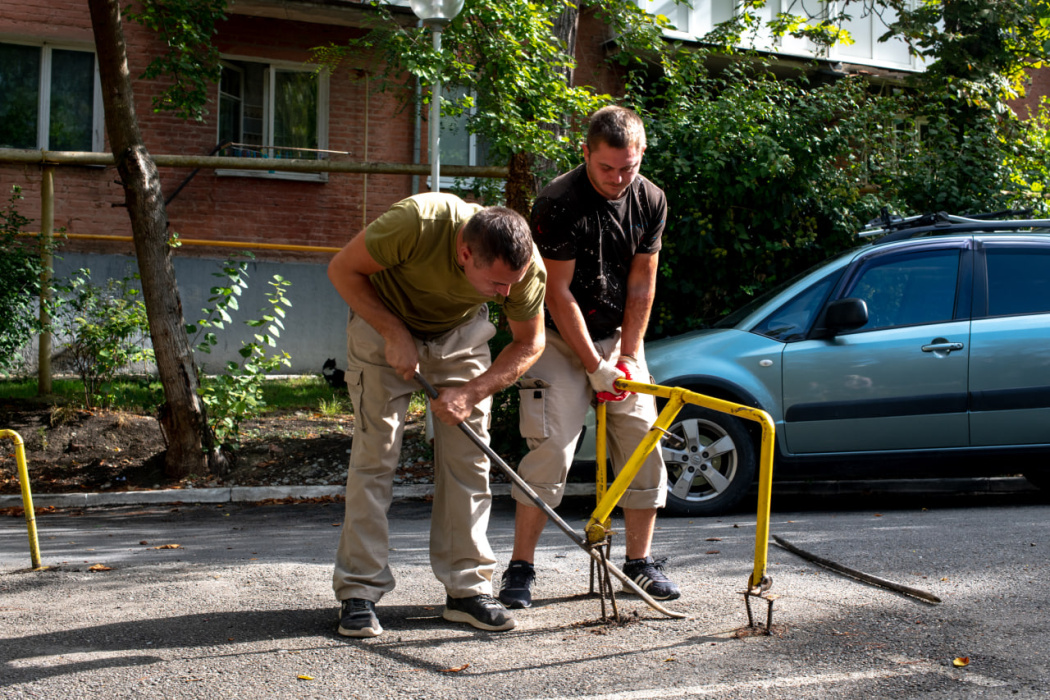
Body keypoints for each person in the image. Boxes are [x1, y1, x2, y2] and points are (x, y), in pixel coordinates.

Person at [327, 193, 546, 637]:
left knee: (470, 461)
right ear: (465, 253)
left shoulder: (524, 269)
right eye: (498, 284)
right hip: (382, 320)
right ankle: (359, 592)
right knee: (375, 458)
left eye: (512, 284)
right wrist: (393, 332)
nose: (507, 294)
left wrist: (473, 390)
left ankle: (467, 590)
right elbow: (342, 270)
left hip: (459, 334)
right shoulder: (418, 222)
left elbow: (529, 342)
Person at [498, 105, 679, 609]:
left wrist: (626, 355)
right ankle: (520, 569)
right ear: (586, 154)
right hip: (556, 337)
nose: (619, 178)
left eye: (629, 167)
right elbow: (557, 292)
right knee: (551, 445)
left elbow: (644, 281)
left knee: (643, 437)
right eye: (607, 168)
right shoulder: (558, 201)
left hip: (618, 337)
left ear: (641, 155)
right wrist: (592, 367)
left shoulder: (651, 200)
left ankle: (640, 563)